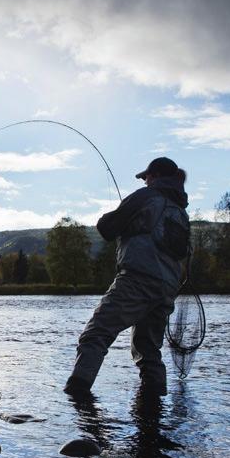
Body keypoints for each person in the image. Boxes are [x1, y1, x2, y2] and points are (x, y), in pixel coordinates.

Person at [65, 157, 190, 398]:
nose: (145, 182)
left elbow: (107, 229)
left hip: (137, 280)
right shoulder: (181, 212)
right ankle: (153, 407)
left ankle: (76, 396)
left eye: (146, 178)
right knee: (148, 349)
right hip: (167, 289)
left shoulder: (146, 197)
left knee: (96, 334)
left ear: (153, 176)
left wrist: (112, 216)